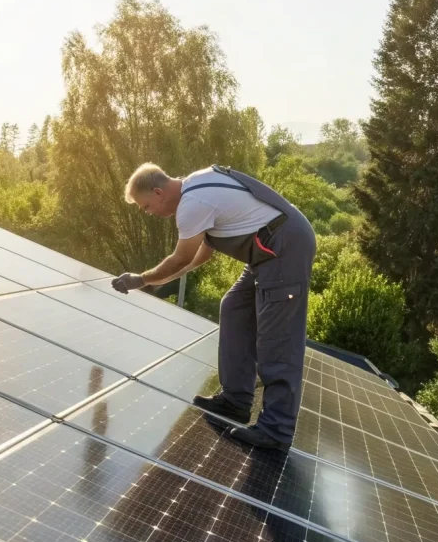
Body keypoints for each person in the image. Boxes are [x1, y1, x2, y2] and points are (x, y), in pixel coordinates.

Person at [113, 163, 316, 451]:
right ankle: (236, 400)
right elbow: (200, 256)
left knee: (277, 338)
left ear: (158, 193)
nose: (149, 213)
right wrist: (160, 280)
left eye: (146, 207)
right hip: (266, 252)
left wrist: (142, 279)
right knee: (234, 307)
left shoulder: (192, 204)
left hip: (283, 247)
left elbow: (181, 258)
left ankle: (276, 430)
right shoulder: (196, 185)